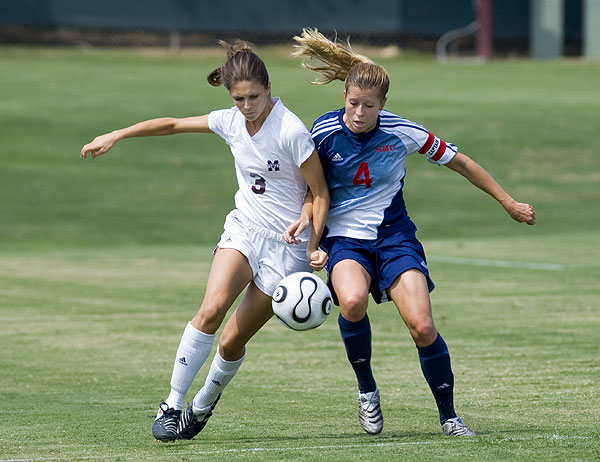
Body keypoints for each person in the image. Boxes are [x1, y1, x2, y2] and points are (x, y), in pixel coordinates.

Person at [288, 28, 536, 437]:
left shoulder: (403, 132)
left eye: (369, 106)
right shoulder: (322, 132)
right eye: (353, 103)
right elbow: (312, 191)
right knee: (351, 302)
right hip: (345, 240)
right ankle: (367, 390)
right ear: (343, 98)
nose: (359, 113)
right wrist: (309, 236)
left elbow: (462, 163)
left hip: (394, 236)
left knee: (422, 325)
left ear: (383, 105)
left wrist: (507, 202)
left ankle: (449, 416)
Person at [81, 40, 329, 442]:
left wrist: (314, 242)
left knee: (231, 342)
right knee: (212, 308)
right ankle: (172, 404)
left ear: (268, 88)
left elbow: (319, 193)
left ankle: (202, 404)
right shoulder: (231, 120)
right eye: (239, 98)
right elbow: (175, 124)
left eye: (254, 97)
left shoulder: (291, 131)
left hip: (288, 248)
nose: (247, 106)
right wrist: (118, 134)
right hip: (245, 229)